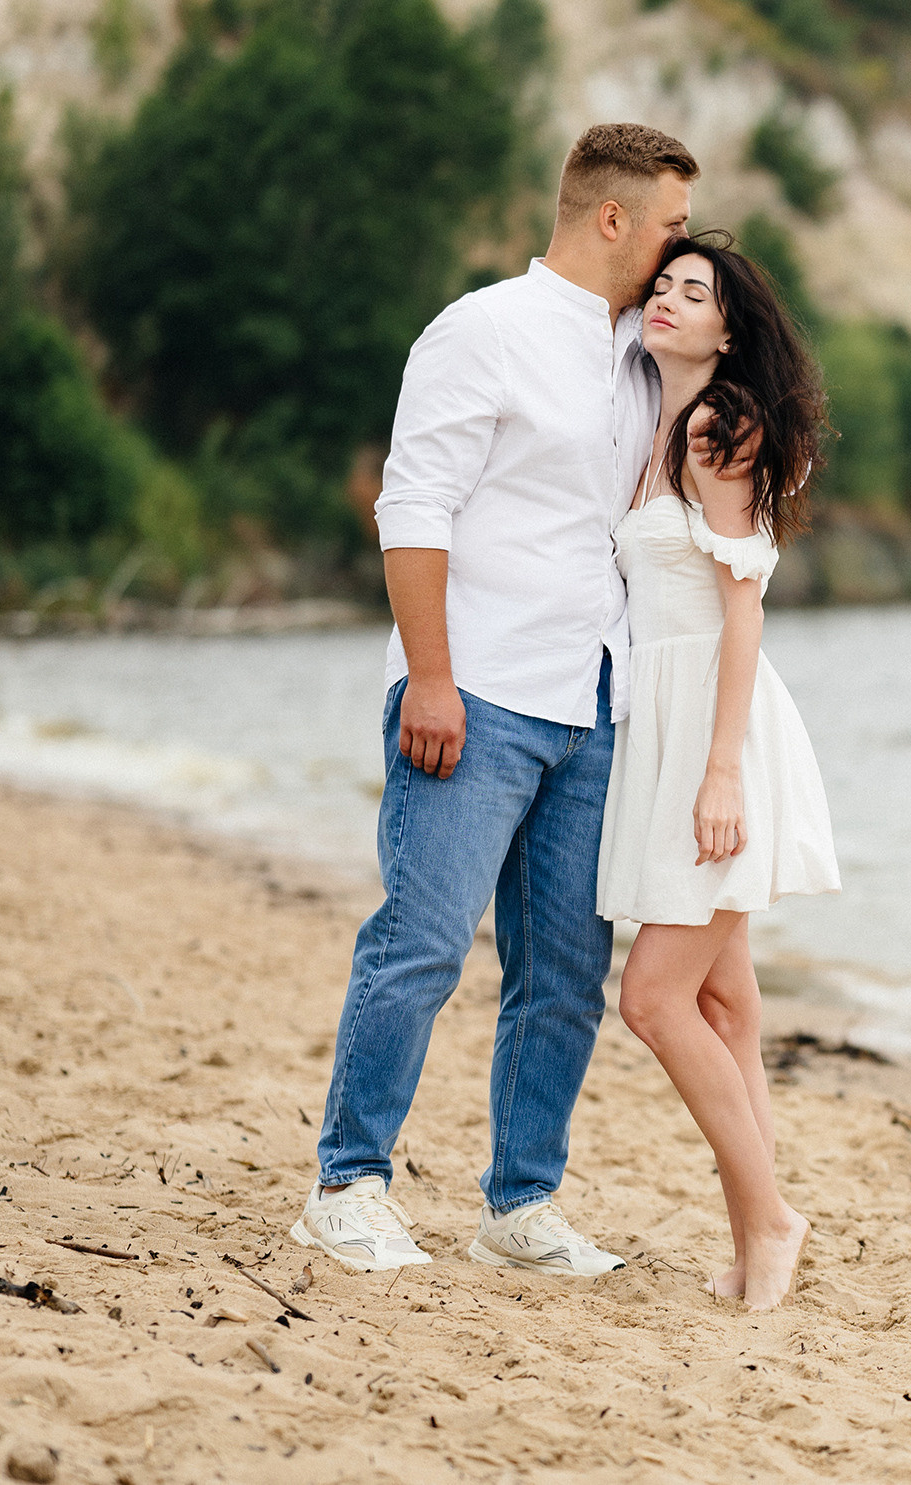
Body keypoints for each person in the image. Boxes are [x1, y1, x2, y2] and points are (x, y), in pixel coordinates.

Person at [291, 124, 698, 1275]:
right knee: (420, 942)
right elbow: (411, 506)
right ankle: (346, 1184)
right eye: (670, 225)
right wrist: (430, 674)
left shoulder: (638, 355)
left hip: (591, 706)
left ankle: (520, 1207)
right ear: (612, 218)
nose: (681, 249)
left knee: (565, 977)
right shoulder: (483, 332)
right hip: (474, 691)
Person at [603, 232, 838, 1311]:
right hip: (669, 712)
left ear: (729, 328)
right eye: (660, 286)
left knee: (654, 998)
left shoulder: (718, 423)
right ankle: (757, 1238)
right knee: (726, 1003)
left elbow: (743, 609)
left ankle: (770, 1218)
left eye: (691, 293)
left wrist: (721, 772)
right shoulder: (655, 418)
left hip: (716, 722)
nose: (665, 301)